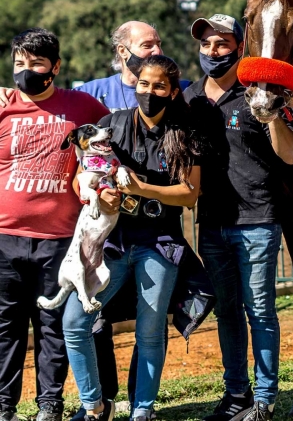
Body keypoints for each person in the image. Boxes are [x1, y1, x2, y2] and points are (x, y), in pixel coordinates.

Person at [62, 55, 202, 421]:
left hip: (159, 245)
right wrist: (94, 194)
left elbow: (189, 194)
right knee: (75, 321)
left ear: (172, 92)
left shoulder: (184, 133)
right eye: (144, 84)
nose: (149, 92)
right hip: (111, 244)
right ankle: (93, 406)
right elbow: (81, 176)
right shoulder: (112, 124)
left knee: (150, 331)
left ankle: (143, 410)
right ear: (134, 84)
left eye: (159, 86)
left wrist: (142, 188)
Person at [184, 14, 293, 421]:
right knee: (227, 312)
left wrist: (269, 116)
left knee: (261, 311)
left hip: (257, 221)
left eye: (222, 44)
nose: (213, 51)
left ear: (239, 46)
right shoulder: (191, 99)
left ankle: (265, 400)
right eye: (206, 45)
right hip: (211, 223)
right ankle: (236, 395)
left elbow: (291, 154)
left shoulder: (259, 92)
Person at [0, 28, 109, 421]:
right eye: (19, 64)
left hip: (60, 239)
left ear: (56, 66)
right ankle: (4, 405)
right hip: (4, 237)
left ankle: (50, 404)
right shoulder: (4, 104)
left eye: (36, 64)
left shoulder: (83, 106)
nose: (26, 71)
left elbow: (115, 140)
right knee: (5, 327)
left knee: (52, 326)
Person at [76, 21, 164, 111]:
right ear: (122, 51)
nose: (158, 51)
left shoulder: (176, 91)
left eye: (159, 45)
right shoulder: (89, 93)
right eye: (147, 45)